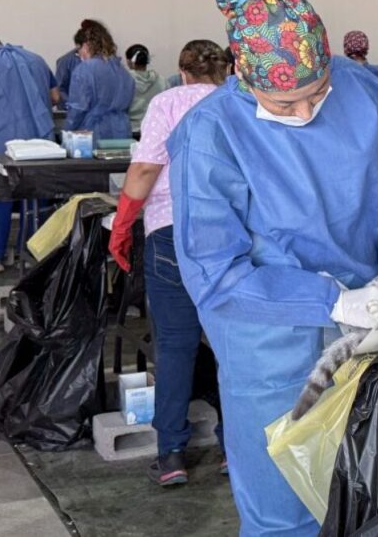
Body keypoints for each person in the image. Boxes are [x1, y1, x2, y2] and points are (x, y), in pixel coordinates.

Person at [168, 0, 378, 535]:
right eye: (283, 103)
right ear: (242, 74)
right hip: (270, 344)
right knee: (284, 509)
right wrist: (328, 298)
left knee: (377, 491)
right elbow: (214, 271)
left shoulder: (363, 90)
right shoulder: (211, 133)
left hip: (369, 331)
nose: (304, 113)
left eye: (316, 95)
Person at [109, 40, 228, 486]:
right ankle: (235, 447)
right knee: (231, 343)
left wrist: (123, 225)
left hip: (170, 233)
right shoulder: (240, 100)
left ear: (183, 72)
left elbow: (144, 170)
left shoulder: (169, 102)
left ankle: (172, 454)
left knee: (176, 346)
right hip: (229, 235)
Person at [0, 35, 58, 275]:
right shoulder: (37, 60)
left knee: (0, 195)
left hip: (5, 143)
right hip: (41, 141)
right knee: (36, 196)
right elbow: (55, 97)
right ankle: (30, 251)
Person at [64, 20, 135, 141]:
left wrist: (66, 132)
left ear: (85, 45)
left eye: (78, 50)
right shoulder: (123, 71)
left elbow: (77, 110)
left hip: (93, 133)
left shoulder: (84, 69)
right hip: (122, 132)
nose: (79, 54)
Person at [125, 44, 167, 131]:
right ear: (147, 60)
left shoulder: (122, 81)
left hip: (128, 130)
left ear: (128, 61)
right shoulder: (162, 81)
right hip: (154, 130)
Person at [55, 32, 82, 103]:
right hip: (71, 106)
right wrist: (72, 104)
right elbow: (59, 89)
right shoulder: (66, 61)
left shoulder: (104, 61)